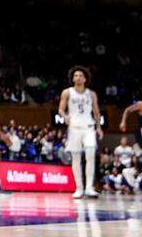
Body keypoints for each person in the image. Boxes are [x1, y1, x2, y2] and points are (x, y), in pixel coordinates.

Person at [59, 66, 102, 199]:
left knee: (90, 154)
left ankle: (89, 187)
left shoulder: (92, 94)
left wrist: (99, 127)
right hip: (74, 128)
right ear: (73, 78)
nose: (78, 77)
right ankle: (79, 188)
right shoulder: (67, 92)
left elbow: (96, 112)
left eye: (81, 76)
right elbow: (60, 109)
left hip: (88, 127)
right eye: (76, 75)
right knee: (76, 158)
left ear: (85, 79)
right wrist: (64, 116)